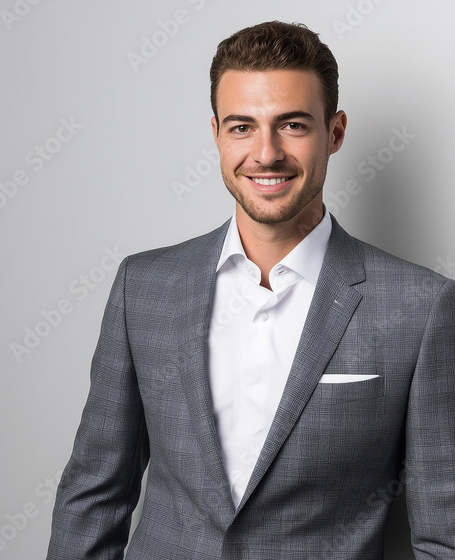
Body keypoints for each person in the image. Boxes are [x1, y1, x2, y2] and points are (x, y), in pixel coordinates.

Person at [46, 21, 454, 559]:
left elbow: (445, 534)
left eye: (292, 125)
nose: (266, 153)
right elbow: (93, 496)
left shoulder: (421, 308)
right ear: (216, 133)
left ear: (335, 133)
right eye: (242, 127)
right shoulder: (143, 289)